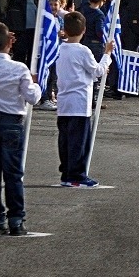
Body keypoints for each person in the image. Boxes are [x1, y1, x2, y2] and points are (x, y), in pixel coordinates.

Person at [0, 22, 40, 235]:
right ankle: (16, 219)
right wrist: (37, 85)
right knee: (12, 173)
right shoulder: (19, 68)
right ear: (9, 44)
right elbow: (32, 97)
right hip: (12, 121)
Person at [53, 11, 109, 187]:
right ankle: (76, 175)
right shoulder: (82, 50)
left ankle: (67, 173)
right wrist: (107, 56)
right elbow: (97, 71)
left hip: (64, 101)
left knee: (65, 140)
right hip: (79, 101)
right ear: (84, 30)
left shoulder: (59, 49)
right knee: (78, 142)